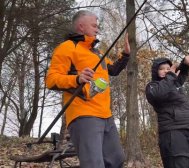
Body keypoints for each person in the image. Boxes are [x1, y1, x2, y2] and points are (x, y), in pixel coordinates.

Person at [45, 10, 130, 168]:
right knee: (94, 164)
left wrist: (125, 55)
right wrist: (77, 79)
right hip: (83, 114)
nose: (97, 29)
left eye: (97, 26)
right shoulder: (67, 48)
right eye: (94, 25)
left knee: (117, 159)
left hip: (106, 115)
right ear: (81, 26)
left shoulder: (97, 53)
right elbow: (51, 80)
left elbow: (113, 70)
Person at [145, 56, 189, 168]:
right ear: (156, 72)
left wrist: (185, 64)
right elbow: (159, 93)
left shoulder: (175, 84)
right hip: (172, 133)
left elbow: (181, 73)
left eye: (168, 68)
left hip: (188, 130)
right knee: (179, 163)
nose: (166, 70)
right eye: (162, 69)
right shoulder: (153, 87)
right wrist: (170, 75)